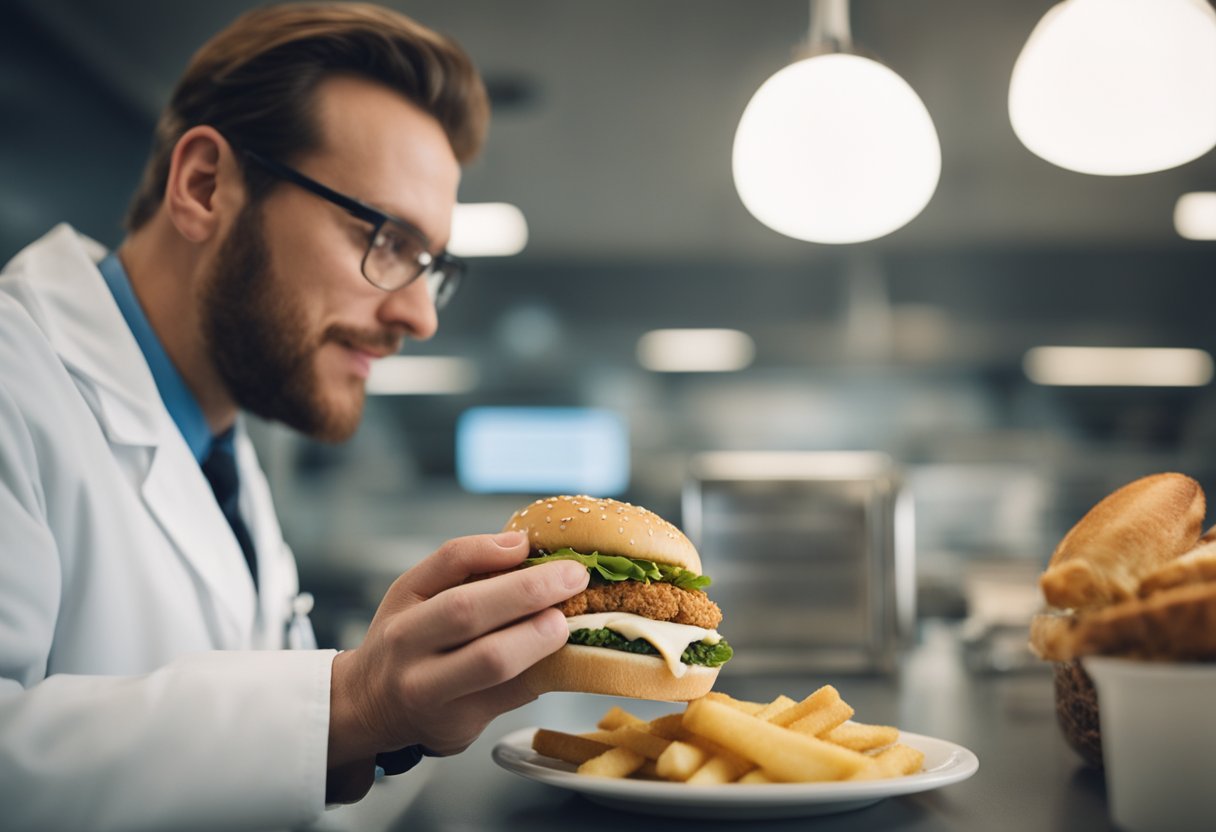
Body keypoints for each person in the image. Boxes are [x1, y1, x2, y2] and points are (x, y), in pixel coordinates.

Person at [0, 4, 591, 830]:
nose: (421, 316)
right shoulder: (14, 378)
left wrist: (378, 720)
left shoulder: (220, 448)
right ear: (205, 186)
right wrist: (354, 701)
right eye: (385, 238)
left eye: (432, 267)